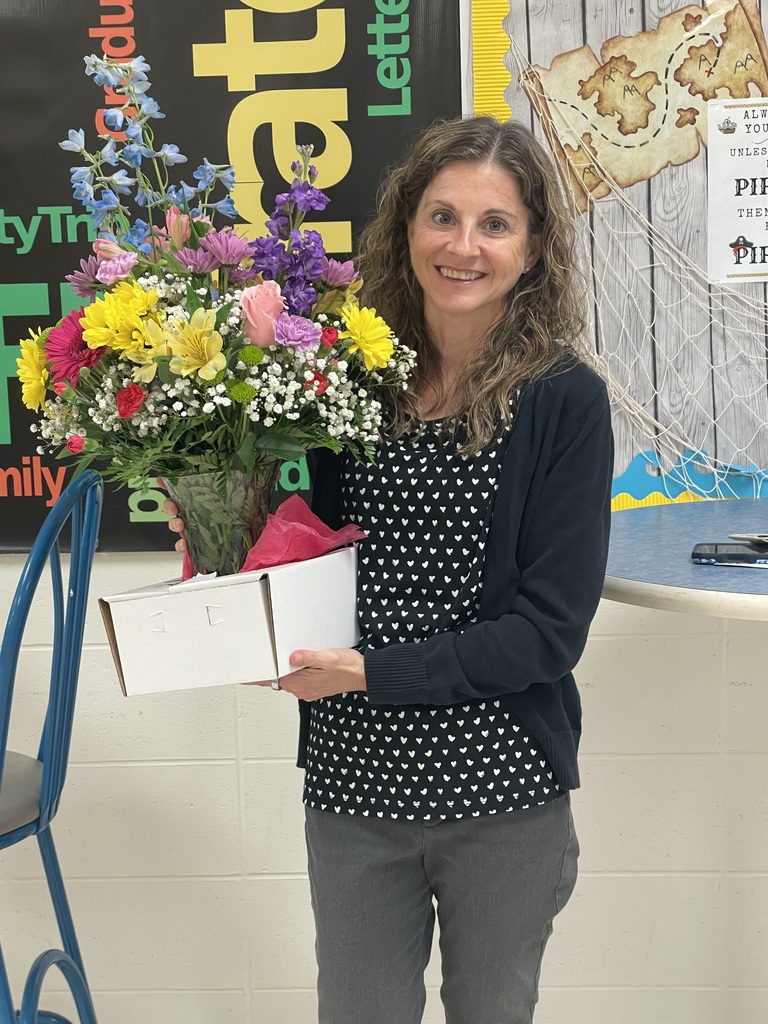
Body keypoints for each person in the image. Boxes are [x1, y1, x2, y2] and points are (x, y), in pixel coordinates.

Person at [165, 116, 614, 1024]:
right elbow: (314, 552)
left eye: (494, 224)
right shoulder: (352, 380)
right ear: (407, 228)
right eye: (442, 216)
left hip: (501, 785)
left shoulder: (564, 401)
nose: (463, 246)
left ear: (533, 250)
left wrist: (371, 672)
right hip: (355, 783)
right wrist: (220, 534)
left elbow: (548, 634)